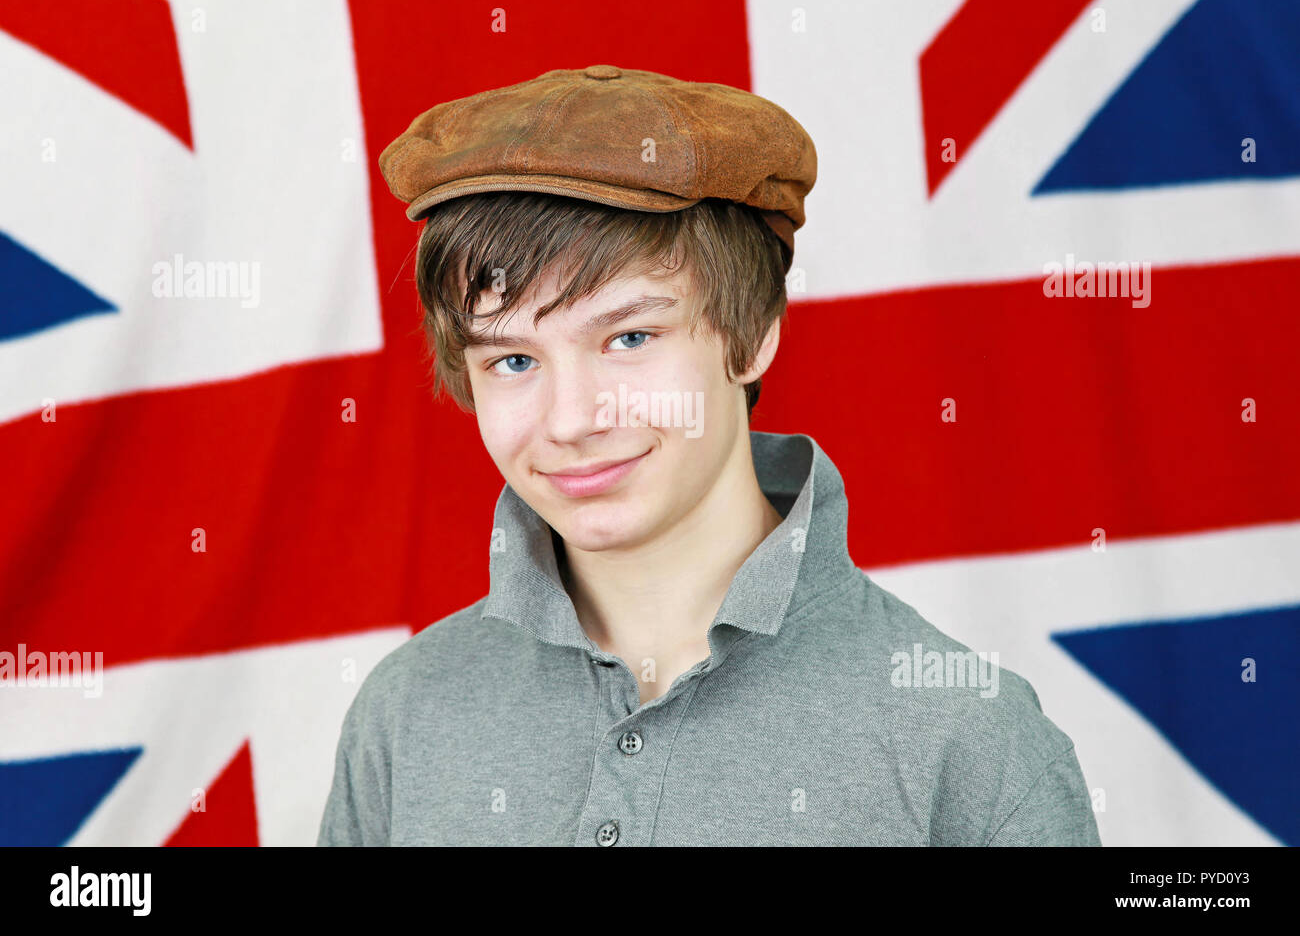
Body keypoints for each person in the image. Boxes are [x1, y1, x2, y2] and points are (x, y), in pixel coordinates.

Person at [317, 65, 1100, 846]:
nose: (571, 420)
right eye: (513, 361)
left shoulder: (968, 741)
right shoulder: (403, 714)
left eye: (630, 338)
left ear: (754, 333)